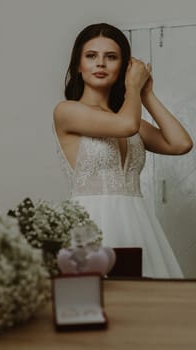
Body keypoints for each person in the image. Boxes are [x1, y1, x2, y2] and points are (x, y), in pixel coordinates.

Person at [52, 23, 193, 278]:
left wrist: (146, 92)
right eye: (91, 56)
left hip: (138, 223)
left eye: (111, 57)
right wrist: (133, 89)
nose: (101, 64)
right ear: (77, 65)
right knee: (97, 301)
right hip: (91, 224)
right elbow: (126, 126)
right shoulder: (67, 111)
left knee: (148, 306)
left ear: (124, 67)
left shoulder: (129, 117)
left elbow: (181, 144)